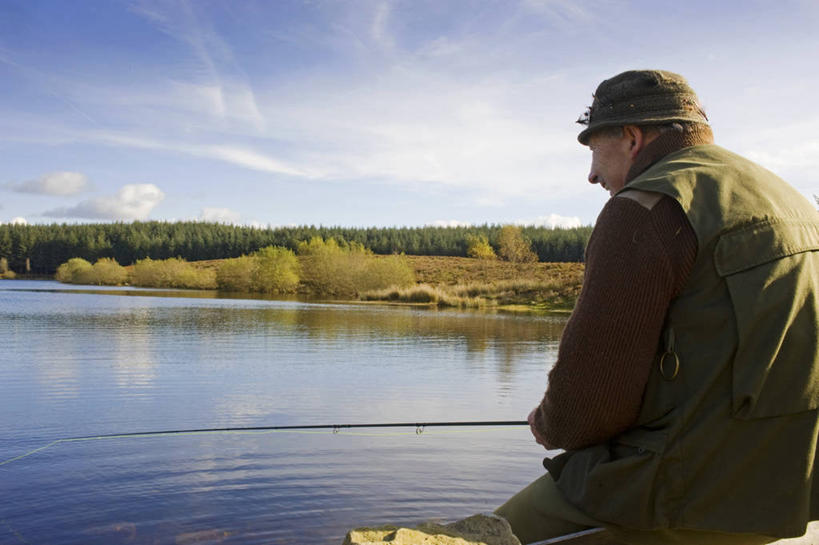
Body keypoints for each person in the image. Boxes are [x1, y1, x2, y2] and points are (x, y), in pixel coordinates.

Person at [495, 70, 819, 545]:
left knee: (488, 535)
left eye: (592, 149)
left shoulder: (646, 205)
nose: (591, 174)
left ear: (631, 137)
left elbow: (588, 408)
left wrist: (549, 422)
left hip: (684, 490)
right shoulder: (795, 204)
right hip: (789, 489)